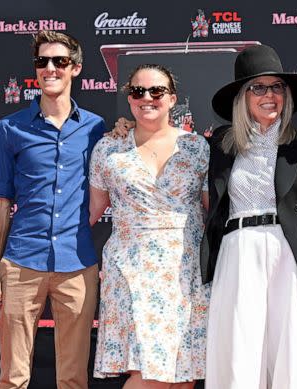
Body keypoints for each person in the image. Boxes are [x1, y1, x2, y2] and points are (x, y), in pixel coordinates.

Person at [0, 30, 104, 389]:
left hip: (78, 265)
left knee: (73, 379)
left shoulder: (97, 129)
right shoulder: (8, 129)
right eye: (42, 62)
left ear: (76, 68)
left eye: (59, 61)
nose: (50, 68)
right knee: (13, 377)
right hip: (21, 263)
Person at [200, 44, 297, 389]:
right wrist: (124, 129)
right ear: (242, 96)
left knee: (291, 351)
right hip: (237, 251)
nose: (269, 95)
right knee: (239, 349)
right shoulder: (220, 144)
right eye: (258, 87)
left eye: (276, 87)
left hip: (288, 252)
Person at [89, 64, 210, 389]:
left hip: (186, 273)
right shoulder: (108, 149)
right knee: (148, 374)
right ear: (129, 100)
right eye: (137, 91)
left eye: (156, 91)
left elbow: (214, 209)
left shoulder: (197, 147)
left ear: (172, 99)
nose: (146, 98)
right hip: (132, 272)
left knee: (183, 377)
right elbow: (92, 210)